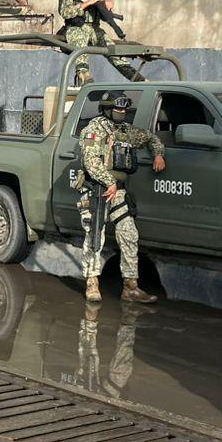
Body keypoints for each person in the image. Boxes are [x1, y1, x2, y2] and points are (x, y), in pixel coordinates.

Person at [78, 91, 166, 304]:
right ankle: (92, 283)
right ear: (107, 108)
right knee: (94, 237)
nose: (122, 112)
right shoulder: (93, 130)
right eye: (118, 108)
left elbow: (149, 137)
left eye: (124, 108)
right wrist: (108, 181)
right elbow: (91, 161)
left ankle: (130, 287)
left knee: (129, 234)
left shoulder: (125, 131)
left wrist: (158, 153)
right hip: (97, 190)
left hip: (117, 191)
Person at [59, 0, 140, 86]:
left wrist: (106, 7)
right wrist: (88, 3)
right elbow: (65, 12)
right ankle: (84, 76)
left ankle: (137, 78)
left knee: (113, 51)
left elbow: (102, 15)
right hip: (77, 27)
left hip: (95, 29)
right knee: (80, 44)